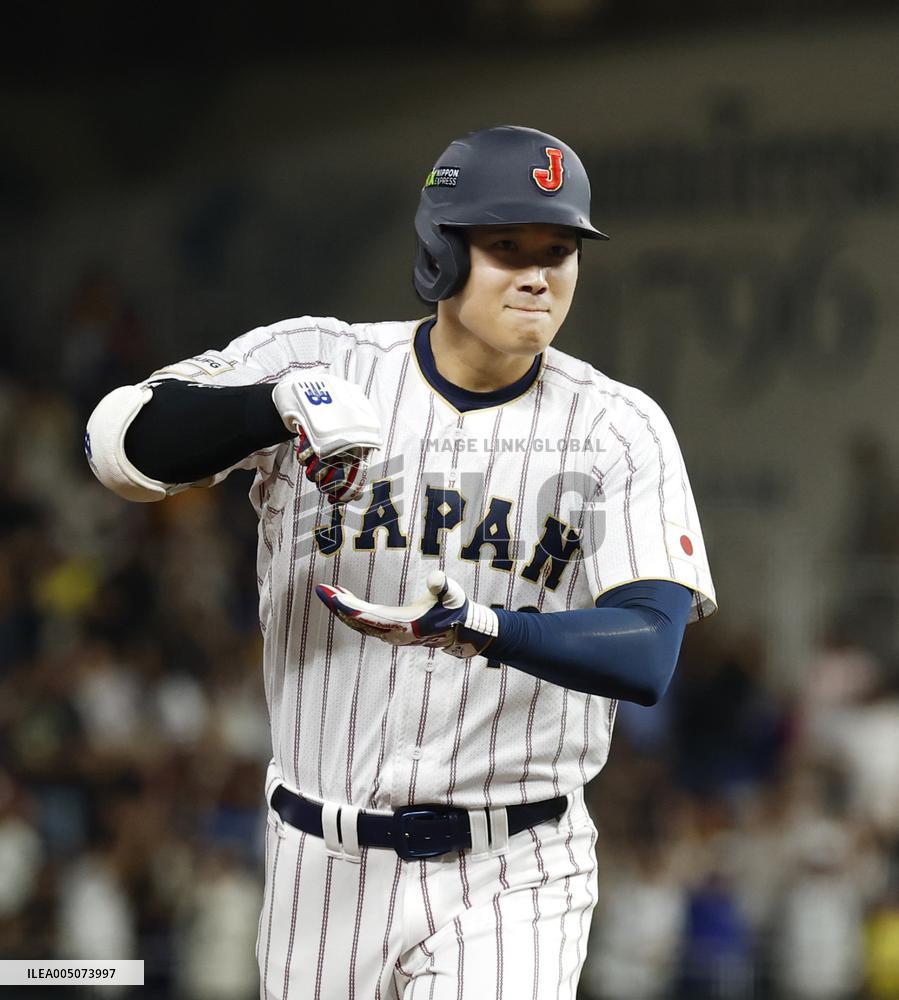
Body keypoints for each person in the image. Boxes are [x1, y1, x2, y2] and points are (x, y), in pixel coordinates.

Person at [84, 125, 716, 1000]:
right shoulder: (321, 360)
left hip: (515, 865)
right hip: (319, 860)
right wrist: (271, 410)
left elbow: (648, 649)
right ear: (440, 254)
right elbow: (120, 447)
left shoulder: (617, 427)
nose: (538, 274)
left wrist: (478, 628)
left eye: (560, 249)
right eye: (506, 247)